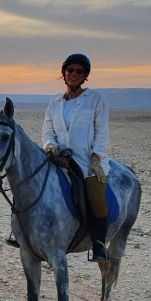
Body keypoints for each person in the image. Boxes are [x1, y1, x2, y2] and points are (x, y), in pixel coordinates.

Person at [42, 53, 111, 262]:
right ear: (64, 73)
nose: (73, 74)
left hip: (86, 161)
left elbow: (102, 131)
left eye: (79, 71)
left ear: (85, 75)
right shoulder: (54, 104)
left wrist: (97, 156)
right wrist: (50, 145)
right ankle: (26, 234)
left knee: (96, 197)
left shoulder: (95, 100)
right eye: (70, 70)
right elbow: (47, 131)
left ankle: (99, 244)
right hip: (58, 159)